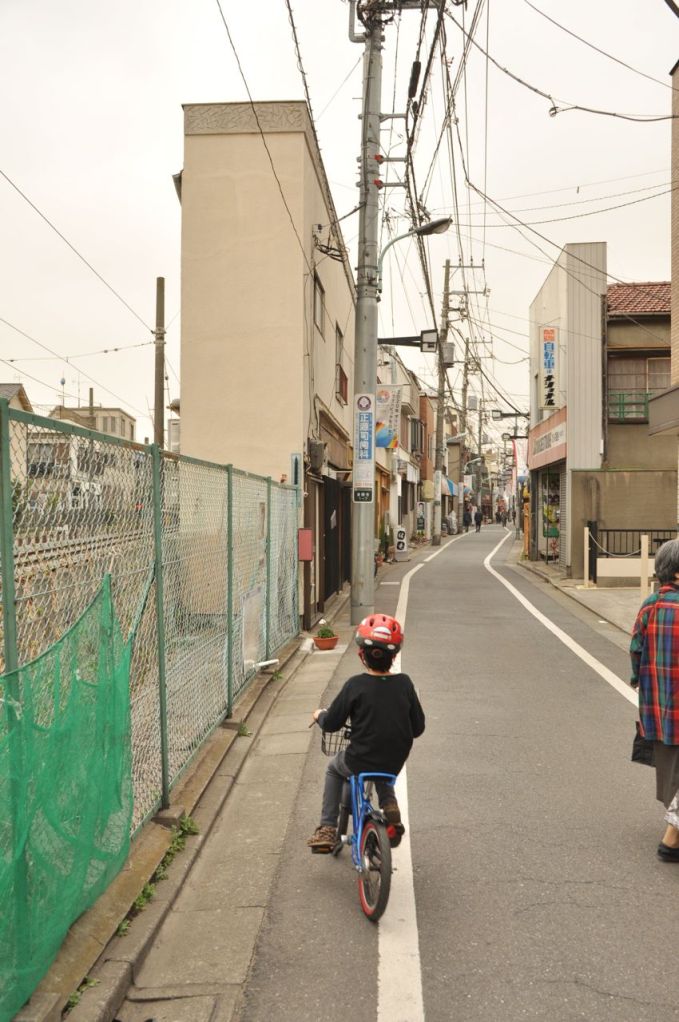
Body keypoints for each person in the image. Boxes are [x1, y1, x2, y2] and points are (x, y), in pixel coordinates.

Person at [307, 614, 425, 853]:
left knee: (334, 768)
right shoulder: (405, 684)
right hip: (394, 760)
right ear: (393, 656)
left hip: (360, 758)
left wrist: (319, 715)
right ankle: (388, 802)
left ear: (362, 654)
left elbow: (331, 723)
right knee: (382, 764)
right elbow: (418, 727)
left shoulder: (355, 686)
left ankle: (328, 828)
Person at [630, 539, 679, 861]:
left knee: (669, 764)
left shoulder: (649, 605)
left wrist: (639, 680)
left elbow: (636, 649)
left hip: (658, 706)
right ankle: (671, 838)